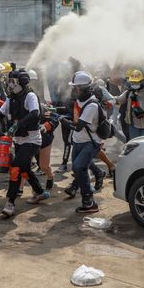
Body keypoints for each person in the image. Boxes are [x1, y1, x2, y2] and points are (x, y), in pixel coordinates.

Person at [0, 70, 50, 218]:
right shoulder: (11, 98)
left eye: (13, 81)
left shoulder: (30, 96)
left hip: (32, 140)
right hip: (18, 140)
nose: (10, 84)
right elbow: (1, 113)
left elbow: (34, 113)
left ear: (21, 82)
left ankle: (10, 203)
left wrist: (17, 125)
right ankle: (40, 192)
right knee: (25, 169)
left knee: (15, 168)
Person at [60, 71, 101, 214]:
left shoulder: (92, 105)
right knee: (78, 169)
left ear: (84, 88)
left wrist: (62, 120)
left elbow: (78, 126)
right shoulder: (80, 101)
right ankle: (98, 173)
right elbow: (74, 117)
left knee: (79, 167)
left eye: (76, 87)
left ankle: (89, 201)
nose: (73, 90)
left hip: (91, 142)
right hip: (78, 141)